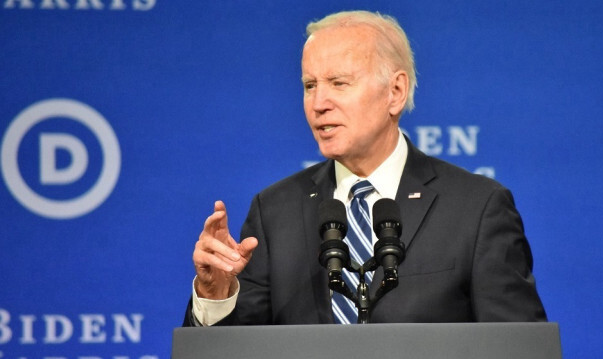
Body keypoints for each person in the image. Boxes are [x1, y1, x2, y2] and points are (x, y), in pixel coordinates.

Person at [184, 10, 546, 326]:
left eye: (339, 83)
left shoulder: (476, 207)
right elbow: (232, 350)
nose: (319, 103)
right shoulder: (274, 211)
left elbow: (518, 346)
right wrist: (215, 295)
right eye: (310, 86)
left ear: (395, 92)